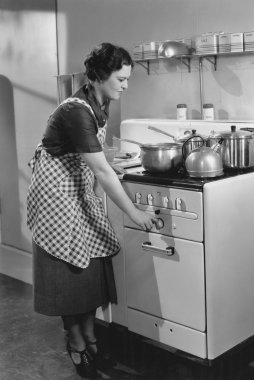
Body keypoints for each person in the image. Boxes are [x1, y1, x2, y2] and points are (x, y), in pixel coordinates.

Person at [27, 42, 157, 379]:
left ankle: (90, 338)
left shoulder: (101, 102)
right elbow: (101, 170)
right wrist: (135, 214)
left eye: (128, 79)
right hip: (56, 199)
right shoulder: (75, 110)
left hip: (78, 193)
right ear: (100, 75)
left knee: (91, 271)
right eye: (122, 79)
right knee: (70, 275)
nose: (126, 86)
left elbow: (94, 159)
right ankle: (76, 343)